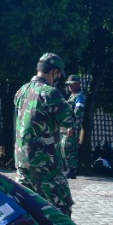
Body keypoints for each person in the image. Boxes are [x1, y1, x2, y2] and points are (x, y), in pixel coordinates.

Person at [13, 52, 75, 215]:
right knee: (61, 210)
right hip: (46, 163)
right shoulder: (50, 93)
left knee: (26, 209)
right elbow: (70, 121)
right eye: (59, 75)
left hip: (22, 161)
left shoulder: (21, 91)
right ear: (54, 72)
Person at [60, 74, 86, 184]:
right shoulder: (71, 96)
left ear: (77, 84)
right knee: (64, 147)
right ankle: (68, 169)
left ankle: (71, 170)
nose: (69, 87)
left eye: (72, 85)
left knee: (69, 147)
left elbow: (78, 112)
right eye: (69, 85)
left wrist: (72, 127)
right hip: (66, 126)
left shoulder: (79, 96)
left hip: (73, 126)